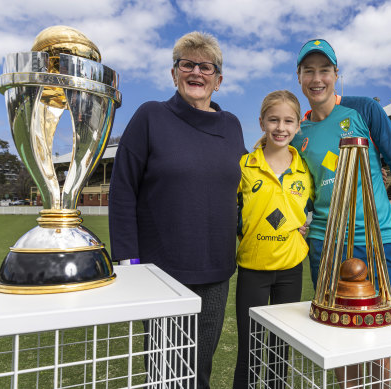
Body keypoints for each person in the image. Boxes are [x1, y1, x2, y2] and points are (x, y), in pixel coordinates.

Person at [292, 38, 391, 388]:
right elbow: (300, 190)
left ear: (337, 74)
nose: (317, 78)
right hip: (326, 243)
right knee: (338, 331)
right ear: (299, 77)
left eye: (324, 70)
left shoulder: (363, 109)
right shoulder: (298, 133)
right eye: (309, 71)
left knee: (379, 336)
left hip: (378, 240)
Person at [108, 31, 246, 389]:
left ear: (218, 79)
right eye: (187, 64)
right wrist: (129, 261)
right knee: (164, 370)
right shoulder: (150, 116)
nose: (196, 72)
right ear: (174, 73)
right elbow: (122, 189)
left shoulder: (231, 126)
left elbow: (245, 190)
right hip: (160, 272)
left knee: (199, 369)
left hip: (216, 270)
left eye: (206, 66)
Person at [233, 90, 314, 389]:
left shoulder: (305, 169)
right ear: (262, 122)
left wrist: (308, 221)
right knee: (250, 351)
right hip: (253, 268)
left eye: (288, 121)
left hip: (291, 270)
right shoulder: (244, 165)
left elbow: (317, 207)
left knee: (281, 352)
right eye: (274, 120)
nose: (281, 127)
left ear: (297, 126)